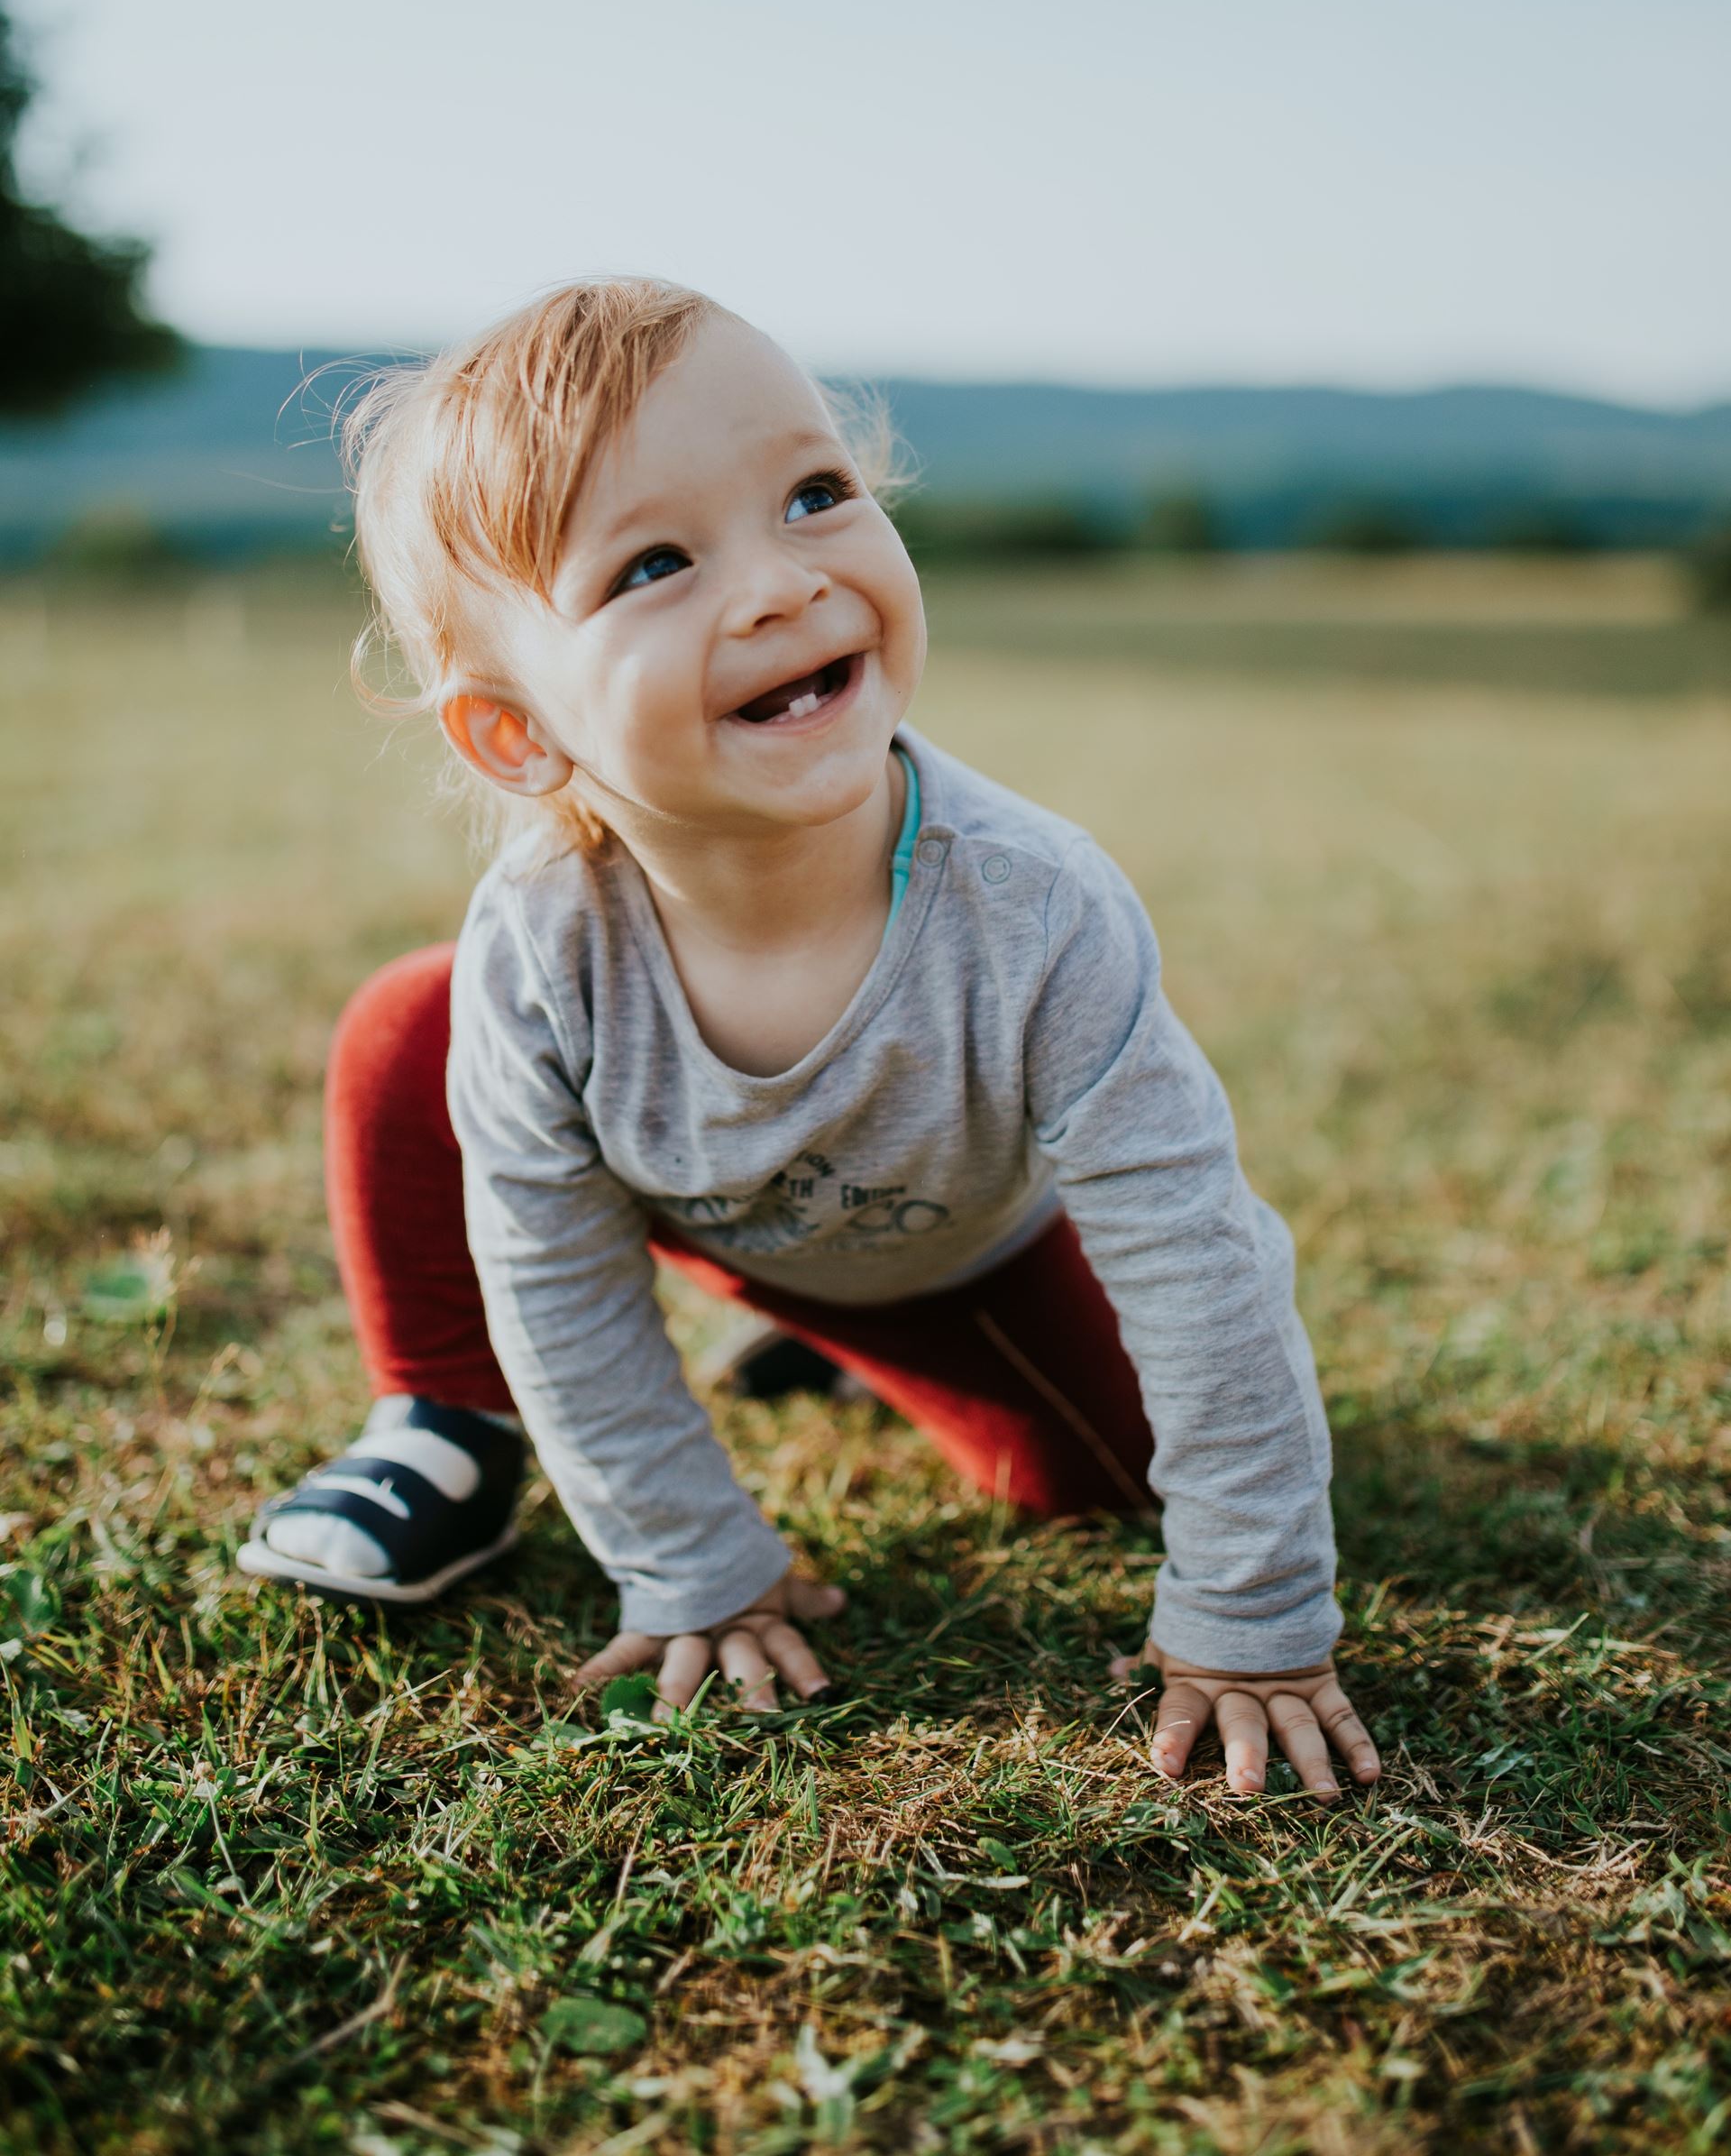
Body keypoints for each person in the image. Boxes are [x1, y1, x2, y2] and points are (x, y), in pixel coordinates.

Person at [239, 279, 1380, 1803]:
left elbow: (1195, 1257)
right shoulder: (545, 943)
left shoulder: (1036, 911)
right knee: (410, 1020)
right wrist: (692, 1566)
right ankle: (441, 1424)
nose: (780, 584)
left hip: (942, 1240)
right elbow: (554, 1271)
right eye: (654, 561)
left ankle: (837, 1332)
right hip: (672, 1199)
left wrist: (1253, 1621)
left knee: (1087, 1480)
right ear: (519, 734)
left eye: (815, 493)